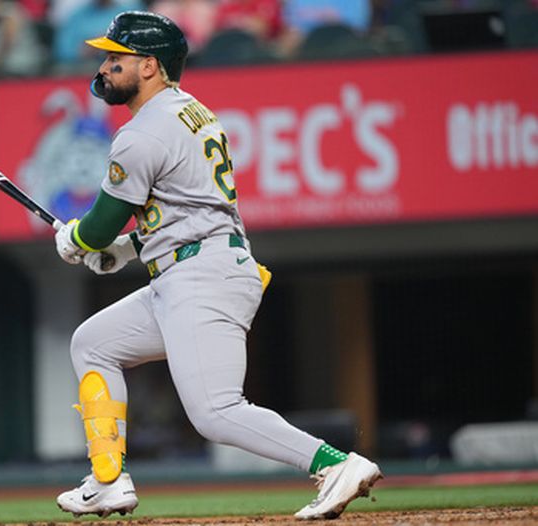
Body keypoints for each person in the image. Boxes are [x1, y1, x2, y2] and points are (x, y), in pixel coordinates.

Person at [52, 10, 383, 521]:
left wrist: (78, 239)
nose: (105, 67)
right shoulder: (192, 112)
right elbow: (180, 209)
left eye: (117, 58)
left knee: (215, 411)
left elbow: (96, 226)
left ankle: (335, 463)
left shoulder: (144, 133)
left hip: (201, 275)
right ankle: (109, 478)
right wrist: (124, 250)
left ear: (150, 67)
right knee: (93, 344)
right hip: (191, 267)